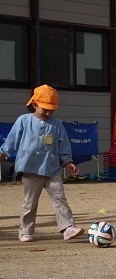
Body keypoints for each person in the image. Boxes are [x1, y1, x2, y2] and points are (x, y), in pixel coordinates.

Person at [0, 85, 84, 242]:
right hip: (30, 170)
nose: (48, 113)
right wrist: (3, 153)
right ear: (34, 104)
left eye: (51, 110)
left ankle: (68, 227)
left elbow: (63, 146)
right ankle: (26, 231)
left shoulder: (57, 125)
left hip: (52, 169)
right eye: (45, 109)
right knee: (30, 203)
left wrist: (68, 162)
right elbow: (12, 140)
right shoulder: (23, 120)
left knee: (60, 198)